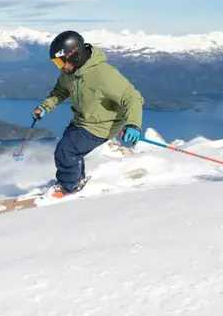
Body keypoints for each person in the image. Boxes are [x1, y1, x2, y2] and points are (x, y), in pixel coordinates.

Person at [33, 30, 144, 198]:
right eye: (57, 63)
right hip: (82, 120)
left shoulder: (103, 74)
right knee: (71, 149)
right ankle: (77, 180)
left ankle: (69, 188)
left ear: (74, 56)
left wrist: (133, 124)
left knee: (65, 151)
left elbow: (133, 98)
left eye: (60, 62)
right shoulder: (70, 72)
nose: (61, 67)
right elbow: (60, 91)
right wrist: (45, 107)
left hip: (101, 125)